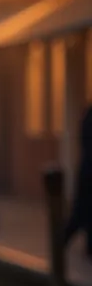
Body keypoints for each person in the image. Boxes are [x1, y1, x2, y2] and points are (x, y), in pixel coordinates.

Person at [64, 103, 92, 258]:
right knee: (80, 213)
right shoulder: (89, 116)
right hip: (89, 172)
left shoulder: (87, 115)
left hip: (86, 170)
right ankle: (60, 240)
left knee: (84, 212)